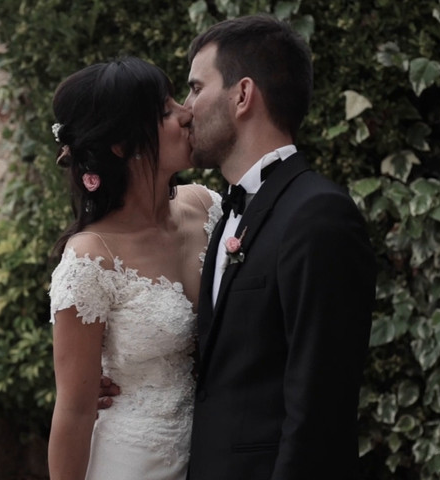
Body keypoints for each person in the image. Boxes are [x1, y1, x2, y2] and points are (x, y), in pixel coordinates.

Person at [101, 14, 376, 480]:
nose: (185, 109)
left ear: (243, 95)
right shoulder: (220, 212)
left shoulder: (319, 217)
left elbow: (320, 410)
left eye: (194, 87)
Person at [47, 57, 222, 480]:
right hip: (134, 464)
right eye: (165, 111)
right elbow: (72, 410)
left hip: (218, 453)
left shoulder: (208, 206)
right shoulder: (91, 258)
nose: (186, 113)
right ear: (121, 145)